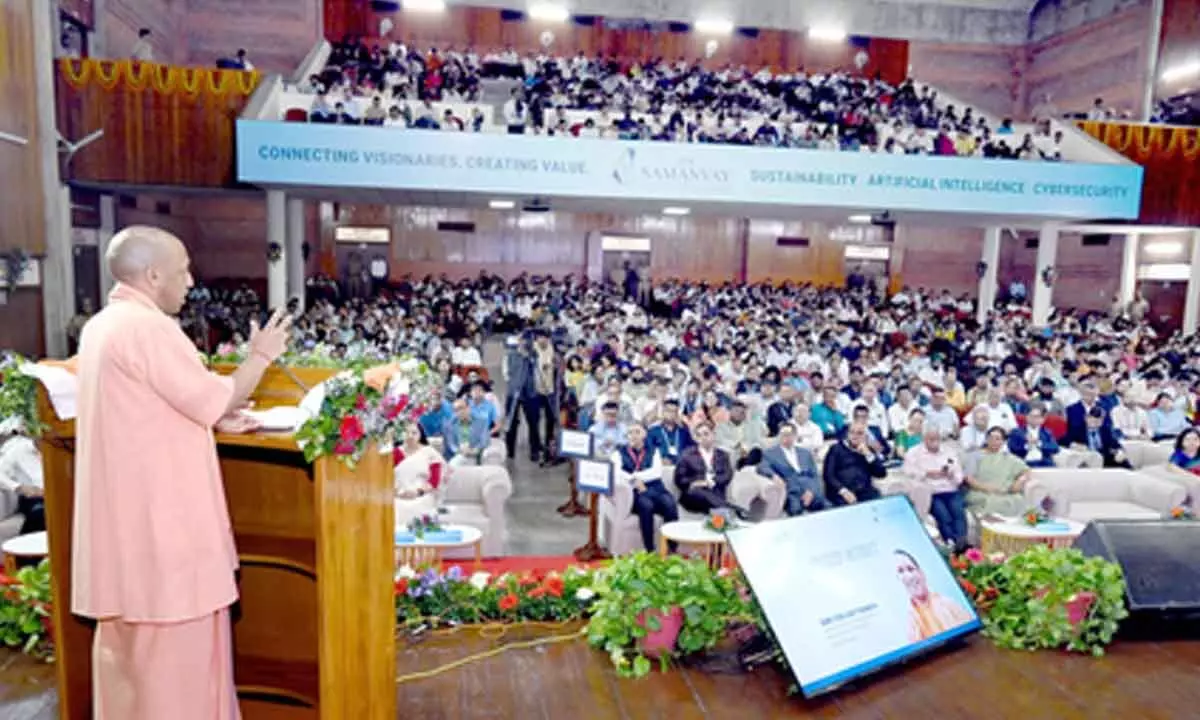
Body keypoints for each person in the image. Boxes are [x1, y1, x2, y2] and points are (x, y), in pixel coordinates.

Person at [74, 225, 291, 720]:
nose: (191, 281)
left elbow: (151, 408)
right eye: (183, 270)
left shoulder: (102, 326)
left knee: (128, 672)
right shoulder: (148, 328)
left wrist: (212, 414)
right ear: (153, 275)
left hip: (126, 537)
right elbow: (211, 397)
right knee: (178, 680)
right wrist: (261, 356)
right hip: (164, 541)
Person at [612, 423, 678, 552]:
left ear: (644, 435)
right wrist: (633, 480)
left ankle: (672, 547)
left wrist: (636, 476)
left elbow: (656, 472)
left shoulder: (654, 451)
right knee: (646, 505)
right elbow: (616, 472)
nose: (633, 436)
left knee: (669, 503)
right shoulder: (619, 452)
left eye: (637, 432)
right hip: (634, 491)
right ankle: (649, 549)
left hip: (655, 488)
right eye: (630, 433)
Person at [903, 426, 967, 552]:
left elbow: (959, 476)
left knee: (958, 513)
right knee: (943, 515)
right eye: (931, 439)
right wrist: (927, 473)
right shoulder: (914, 453)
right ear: (924, 439)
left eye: (936, 439)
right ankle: (951, 544)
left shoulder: (949, 452)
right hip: (931, 492)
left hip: (950, 489)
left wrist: (952, 475)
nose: (934, 442)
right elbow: (907, 471)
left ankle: (962, 546)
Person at [895, 550, 974, 642]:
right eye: (901, 571)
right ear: (898, 579)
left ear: (921, 573)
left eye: (911, 569)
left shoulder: (948, 604)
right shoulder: (909, 624)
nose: (909, 576)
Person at [758, 423, 828, 516]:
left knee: (827, 507)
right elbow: (762, 467)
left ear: (795, 436)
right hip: (791, 490)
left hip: (810, 488)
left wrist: (811, 490)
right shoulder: (770, 453)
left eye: (788, 434)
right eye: (782, 434)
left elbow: (814, 475)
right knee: (795, 510)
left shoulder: (805, 453)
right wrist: (773, 476)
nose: (785, 437)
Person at [673, 422, 740, 515]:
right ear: (696, 438)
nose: (703, 438)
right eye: (699, 435)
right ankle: (731, 508)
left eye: (706, 434)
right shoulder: (687, 455)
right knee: (698, 491)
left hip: (715, 492)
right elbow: (679, 479)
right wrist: (696, 482)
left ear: (713, 435)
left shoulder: (723, 455)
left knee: (714, 498)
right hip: (693, 496)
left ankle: (723, 508)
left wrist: (711, 482)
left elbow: (727, 475)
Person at [964, 427, 1032, 516]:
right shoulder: (975, 456)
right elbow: (968, 478)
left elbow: (1026, 470)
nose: (993, 441)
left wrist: (1020, 480)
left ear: (1003, 442)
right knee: (991, 501)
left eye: (997, 439)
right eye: (990, 438)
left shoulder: (1008, 457)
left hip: (1005, 493)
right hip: (981, 492)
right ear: (986, 439)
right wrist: (987, 488)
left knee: (1018, 500)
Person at [394, 423, 446, 527]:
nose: (410, 436)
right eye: (406, 432)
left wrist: (417, 492)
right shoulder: (395, 453)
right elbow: (386, 477)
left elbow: (434, 481)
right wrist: (398, 492)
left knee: (418, 508)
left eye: (414, 433)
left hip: (422, 494)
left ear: (420, 435)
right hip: (399, 495)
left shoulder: (429, 453)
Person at [823, 422, 886, 506]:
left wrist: (868, 454)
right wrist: (843, 491)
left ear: (865, 436)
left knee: (877, 500)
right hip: (841, 491)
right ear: (847, 434)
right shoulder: (836, 449)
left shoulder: (868, 449)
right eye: (852, 432)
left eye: (859, 433)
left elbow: (881, 473)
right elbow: (828, 475)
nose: (855, 436)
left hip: (864, 490)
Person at [0, 430, 44, 534]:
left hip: (62, 496)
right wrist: (19, 487)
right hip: (34, 498)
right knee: (40, 514)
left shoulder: (64, 448)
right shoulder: (19, 450)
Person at [715, 399, 768, 468]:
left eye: (742, 412)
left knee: (757, 450)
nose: (738, 414)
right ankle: (742, 466)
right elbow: (720, 440)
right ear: (730, 411)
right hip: (733, 452)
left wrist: (752, 412)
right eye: (736, 411)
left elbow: (764, 432)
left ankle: (744, 466)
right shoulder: (721, 426)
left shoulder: (750, 425)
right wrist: (738, 446)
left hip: (749, 453)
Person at [442, 398, 491, 467]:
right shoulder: (451, 424)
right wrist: (459, 450)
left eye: (461, 408)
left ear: (468, 408)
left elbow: (485, 441)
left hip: (476, 454)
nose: (459, 412)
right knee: (457, 463)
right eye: (456, 410)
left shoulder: (482, 422)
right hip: (460, 454)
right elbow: (451, 443)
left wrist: (474, 450)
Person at [647, 399, 694, 465]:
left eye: (674, 411)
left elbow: (692, 448)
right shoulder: (653, 431)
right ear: (663, 412)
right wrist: (659, 460)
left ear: (677, 414)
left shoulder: (683, 430)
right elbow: (648, 451)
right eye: (668, 410)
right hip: (661, 467)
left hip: (682, 467)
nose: (671, 414)